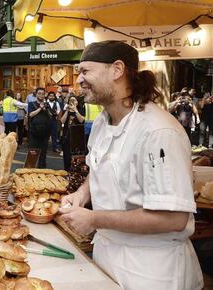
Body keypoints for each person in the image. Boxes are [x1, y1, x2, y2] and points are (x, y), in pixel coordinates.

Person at [59, 40, 203, 290]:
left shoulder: (158, 132)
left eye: (85, 71)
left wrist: (94, 219)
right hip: (107, 257)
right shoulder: (103, 122)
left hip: (152, 270)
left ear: (117, 70)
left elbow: (173, 219)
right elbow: (99, 169)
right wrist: (81, 196)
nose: (79, 79)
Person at [60, 95, 85, 171]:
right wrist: (67, 111)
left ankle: (75, 174)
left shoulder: (80, 110)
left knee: (76, 157)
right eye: (71, 100)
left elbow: (81, 120)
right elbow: (62, 121)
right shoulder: (66, 110)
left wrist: (75, 110)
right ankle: (66, 171)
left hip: (77, 137)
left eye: (74, 100)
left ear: (77, 102)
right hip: (67, 136)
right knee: (66, 157)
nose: (72, 102)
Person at [28, 88, 51, 168]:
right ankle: (30, 171)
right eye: (39, 93)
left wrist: (46, 109)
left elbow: (51, 115)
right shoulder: (31, 104)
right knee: (33, 152)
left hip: (45, 133)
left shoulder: (47, 104)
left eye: (42, 93)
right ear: (36, 94)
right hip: (34, 132)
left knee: (43, 153)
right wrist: (40, 108)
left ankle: (42, 169)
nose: (41, 95)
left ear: (45, 95)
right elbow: (30, 114)